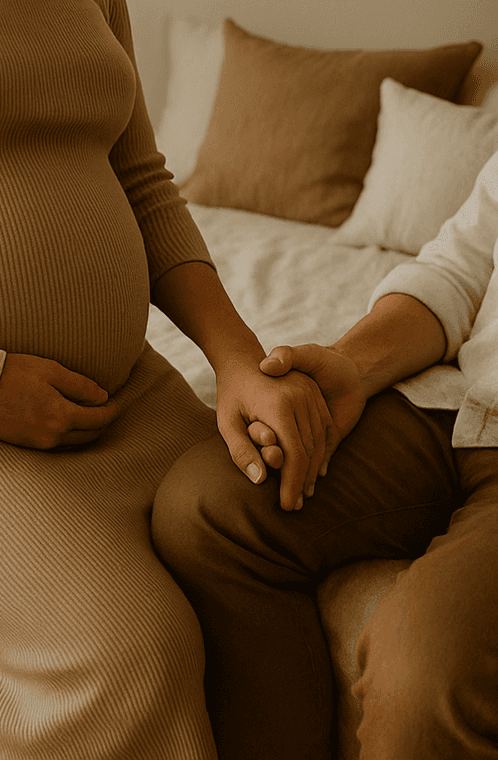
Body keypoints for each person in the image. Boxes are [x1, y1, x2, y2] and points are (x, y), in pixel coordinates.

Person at [0, 1, 334, 757]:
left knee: (270, 537)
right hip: (8, 444)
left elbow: (140, 180)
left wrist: (239, 361)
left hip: (132, 398)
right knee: (129, 660)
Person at [152, 149, 498, 758]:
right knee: (206, 507)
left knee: (423, 663)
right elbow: (459, 270)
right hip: (459, 403)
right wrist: (351, 368)